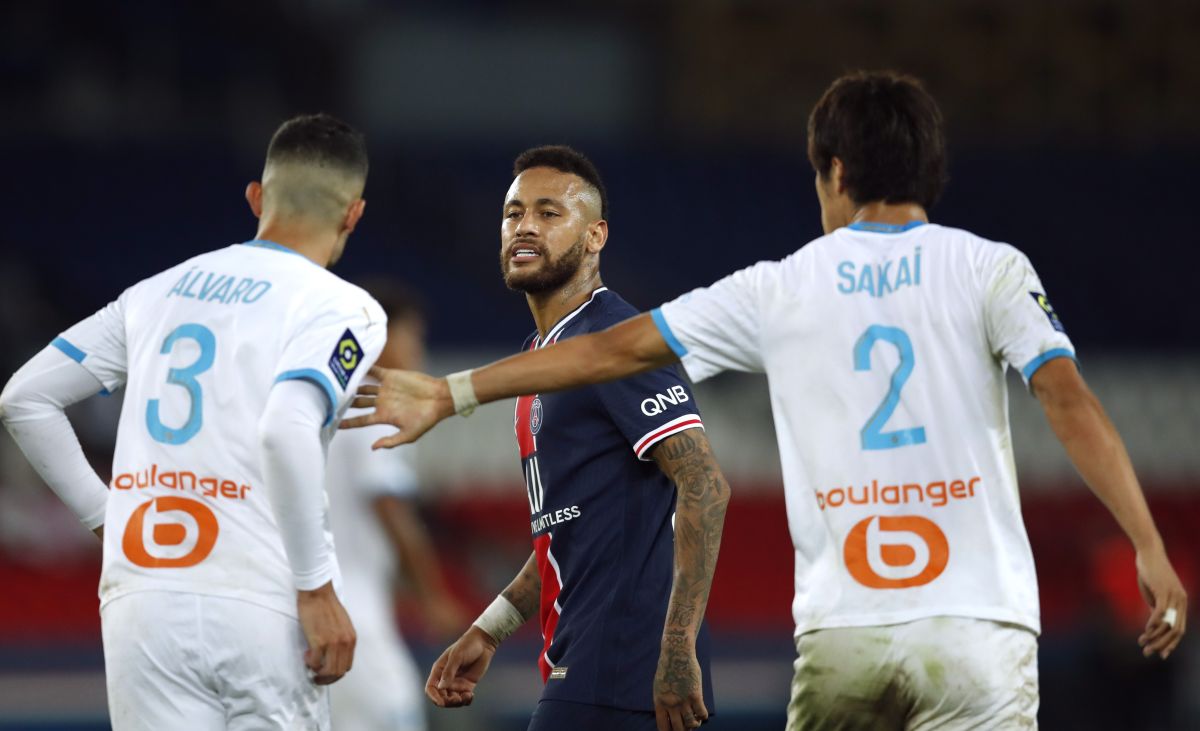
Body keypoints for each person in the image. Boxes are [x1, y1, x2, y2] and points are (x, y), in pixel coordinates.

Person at [345, 73, 1189, 730]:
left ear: (834, 171)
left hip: (841, 631)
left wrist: (453, 392)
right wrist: (1147, 544)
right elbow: (1066, 398)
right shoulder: (991, 266)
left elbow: (611, 356)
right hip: (975, 624)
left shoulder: (779, 286)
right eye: (513, 211)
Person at [0, 113, 386, 730]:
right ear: (354, 214)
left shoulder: (155, 292)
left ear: (256, 197)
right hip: (260, 598)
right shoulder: (344, 307)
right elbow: (286, 429)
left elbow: (24, 399)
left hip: (144, 599)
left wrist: (109, 521)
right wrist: (315, 587)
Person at [420, 146, 730, 731]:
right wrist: (489, 630)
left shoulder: (615, 340)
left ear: (595, 237)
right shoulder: (542, 358)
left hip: (625, 668)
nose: (525, 226)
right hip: (586, 663)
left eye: (548, 213)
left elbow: (705, 482)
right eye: (513, 214)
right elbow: (568, 529)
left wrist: (677, 647)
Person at [326, 282, 469, 731]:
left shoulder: (328, 402)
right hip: (354, 612)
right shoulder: (372, 404)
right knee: (398, 717)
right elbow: (389, 507)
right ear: (382, 336)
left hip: (321, 605)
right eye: (414, 336)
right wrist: (433, 597)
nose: (419, 349)